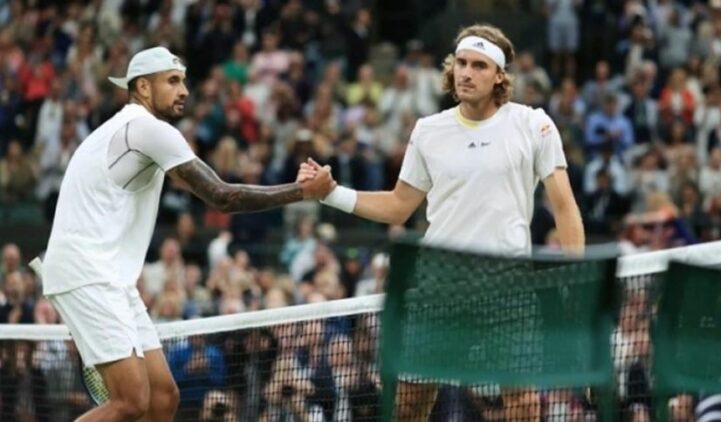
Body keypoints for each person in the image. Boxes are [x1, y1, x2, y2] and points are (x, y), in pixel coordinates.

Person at [40, 46, 334, 422]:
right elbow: (222, 196)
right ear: (143, 87)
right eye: (173, 81)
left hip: (110, 277)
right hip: (87, 272)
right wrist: (302, 192)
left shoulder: (127, 130)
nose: (184, 91)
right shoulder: (146, 129)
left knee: (163, 397)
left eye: (183, 81)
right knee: (130, 401)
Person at [315, 24, 584, 421]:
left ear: (499, 76)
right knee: (408, 407)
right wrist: (331, 193)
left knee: (524, 404)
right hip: (438, 286)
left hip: (508, 286)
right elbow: (398, 206)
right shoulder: (428, 131)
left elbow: (564, 206)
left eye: (479, 65)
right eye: (461, 63)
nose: (466, 73)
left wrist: (578, 280)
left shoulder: (534, 124)